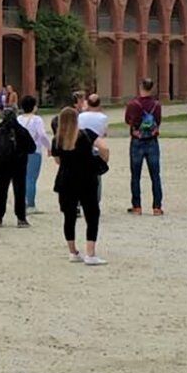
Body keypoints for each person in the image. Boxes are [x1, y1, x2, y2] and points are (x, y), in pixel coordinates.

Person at [51, 106, 109, 266]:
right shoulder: (86, 134)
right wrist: (102, 160)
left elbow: (57, 160)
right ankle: (90, 253)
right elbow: (104, 147)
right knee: (92, 214)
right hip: (86, 178)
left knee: (69, 216)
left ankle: (73, 251)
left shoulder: (57, 139)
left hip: (66, 179)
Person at [0, 107, 36, 227]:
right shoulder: (21, 130)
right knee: (19, 191)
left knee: (1, 190)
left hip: (1, 164)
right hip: (19, 164)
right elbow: (32, 148)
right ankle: (21, 218)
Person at [125, 78, 164, 215]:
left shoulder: (133, 104)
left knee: (135, 175)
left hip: (137, 140)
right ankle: (157, 207)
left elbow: (127, 120)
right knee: (155, 175)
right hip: (152, 141)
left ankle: (137, 206)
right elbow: (158, 121)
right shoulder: (156, 104)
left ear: (140, 86)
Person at [17, 94, 51, 214]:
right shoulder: (37, 120)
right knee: (31, 178)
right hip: (34, 150)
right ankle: (30, 204)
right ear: (34, 107)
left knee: (22, 177)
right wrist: (49, 147)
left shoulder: (19, 119)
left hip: (20, 151)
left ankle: (21, 201)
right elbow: (42, 135)